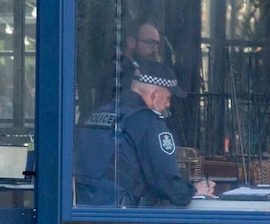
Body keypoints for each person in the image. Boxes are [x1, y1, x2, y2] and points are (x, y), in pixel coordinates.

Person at [74, 60, 215, 207]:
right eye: (168, 98)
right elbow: (164, 179)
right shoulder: (147, 121)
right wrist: (192, 191)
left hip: (82, 210)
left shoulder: (100, 113)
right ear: (154, 94)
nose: (168, 105)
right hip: (120, 217)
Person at [97, 22, 163, 104]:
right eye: (150, 42)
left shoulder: (133, 69)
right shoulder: (123, 72)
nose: (155, 50)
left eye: (157, 44)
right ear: (131, 42)